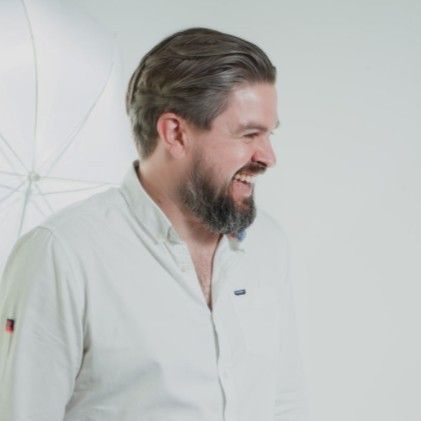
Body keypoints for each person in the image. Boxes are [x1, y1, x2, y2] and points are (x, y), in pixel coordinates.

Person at [0, 27, 308, 421]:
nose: (268, 156)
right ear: (175, 133)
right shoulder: (62, 254)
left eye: (269, 134)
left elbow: (284, 401)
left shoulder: (267, 242)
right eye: (249, 134)